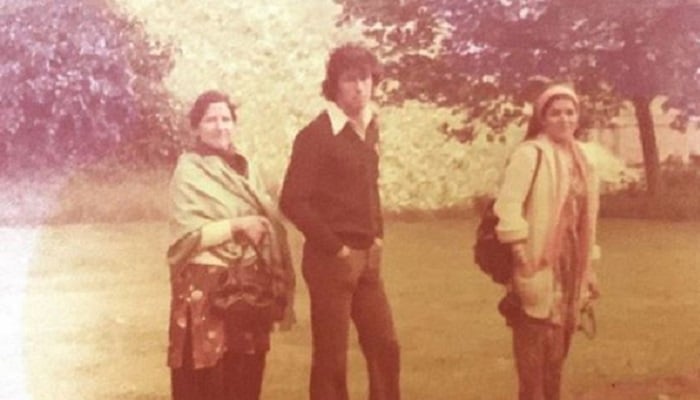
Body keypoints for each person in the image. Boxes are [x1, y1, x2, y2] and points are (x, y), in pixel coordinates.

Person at [279, 43, 401, 400]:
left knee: (385, 345)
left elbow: (369, 189)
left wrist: (376, 236)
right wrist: (337, 248)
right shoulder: (316, 136)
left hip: (367, 260)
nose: (359, 88)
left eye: (364, 78)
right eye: (349, 80)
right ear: (334, 85)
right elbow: (293, 200)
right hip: (330, 261)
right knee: (332, 358)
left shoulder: (369, 128)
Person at [166, 90, 295, 400]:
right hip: (205, 290)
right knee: (206, 380)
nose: (220, 126)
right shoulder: (189, 171)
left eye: (226, 119)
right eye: (211, 119)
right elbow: (186, 240)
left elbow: (267, 220)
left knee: (245, 377)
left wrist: (259, 232)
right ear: (196, 127)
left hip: (248, 288)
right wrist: (237, 226)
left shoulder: (246, 168)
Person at [494, 84, 601, 400]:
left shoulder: (582, 159)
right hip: (537, 261)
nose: (564, 119)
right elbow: (508, 204)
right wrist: (519, 249)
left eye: (570, 112)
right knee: (532, 356)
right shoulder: (530, 155)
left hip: (570, 268)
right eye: (556, 113)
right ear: (542, 118)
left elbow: (586, 219)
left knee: (556, 356)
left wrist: (589, 267)